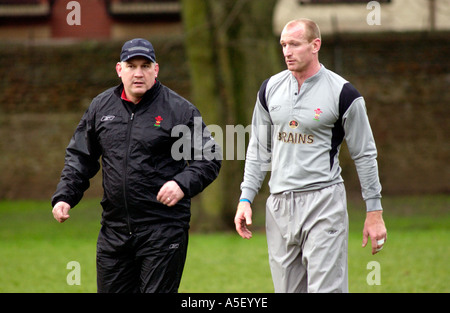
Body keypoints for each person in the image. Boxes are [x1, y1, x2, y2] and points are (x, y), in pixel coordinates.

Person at [52, 38, 221, 293]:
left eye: (145, 65)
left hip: (162, 229)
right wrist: (65, 196)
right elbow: (80, 157)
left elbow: (209, 157)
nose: (138, 73)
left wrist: (181, 184)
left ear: (156, 69)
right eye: (132, 66)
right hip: (115, 231)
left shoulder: (179, 110)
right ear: (119, 70)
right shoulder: (101, 107)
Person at [234, 19, 387, 293]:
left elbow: (365, 154)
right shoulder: (269, 90)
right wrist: (246, 197)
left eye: (294, 44)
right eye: (283, 45)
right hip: (279, 204)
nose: (287, 51)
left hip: (323, 202)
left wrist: (374, 211)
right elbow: (258, 149)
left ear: (315, 45)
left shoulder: (344, 94)